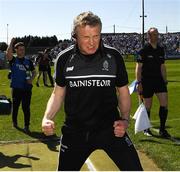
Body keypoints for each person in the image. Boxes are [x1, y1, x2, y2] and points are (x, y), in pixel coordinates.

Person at [42, 11, 143, 171]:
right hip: (75, 132)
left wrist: (124, 120)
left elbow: (123, 92)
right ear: (75, 36)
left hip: (110, 129)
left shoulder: (113, 56)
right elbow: (57, 93)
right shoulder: (64, 58)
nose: (92, 42)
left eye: (96, 36)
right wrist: (47, 118)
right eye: (86, 37)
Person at [136, 27, 171, 138]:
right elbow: (139, 67)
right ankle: (146, 129)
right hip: (147, 81)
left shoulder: (161, 49)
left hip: (159, 81)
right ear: (149, 36)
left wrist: (165, 80)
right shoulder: (144, 50)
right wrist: (139, 82)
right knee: (148, 106)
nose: (156, 36)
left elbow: (162, 66)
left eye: (157, 34)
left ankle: (162, 129)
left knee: (164, 104)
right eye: (153, 34)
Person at [6, 38, 36, 133]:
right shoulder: (13, 60)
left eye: (23, 49)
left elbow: (34, 72)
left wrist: (31, 79)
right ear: (16, 50)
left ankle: (26, 126)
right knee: (15, 107)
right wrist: (11, 42)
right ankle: (14, 123)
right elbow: (8, 54)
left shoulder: (28, 61)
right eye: (20, 49)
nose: (22, 51)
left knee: (26, 107)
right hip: (16, 88)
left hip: (27, 89)